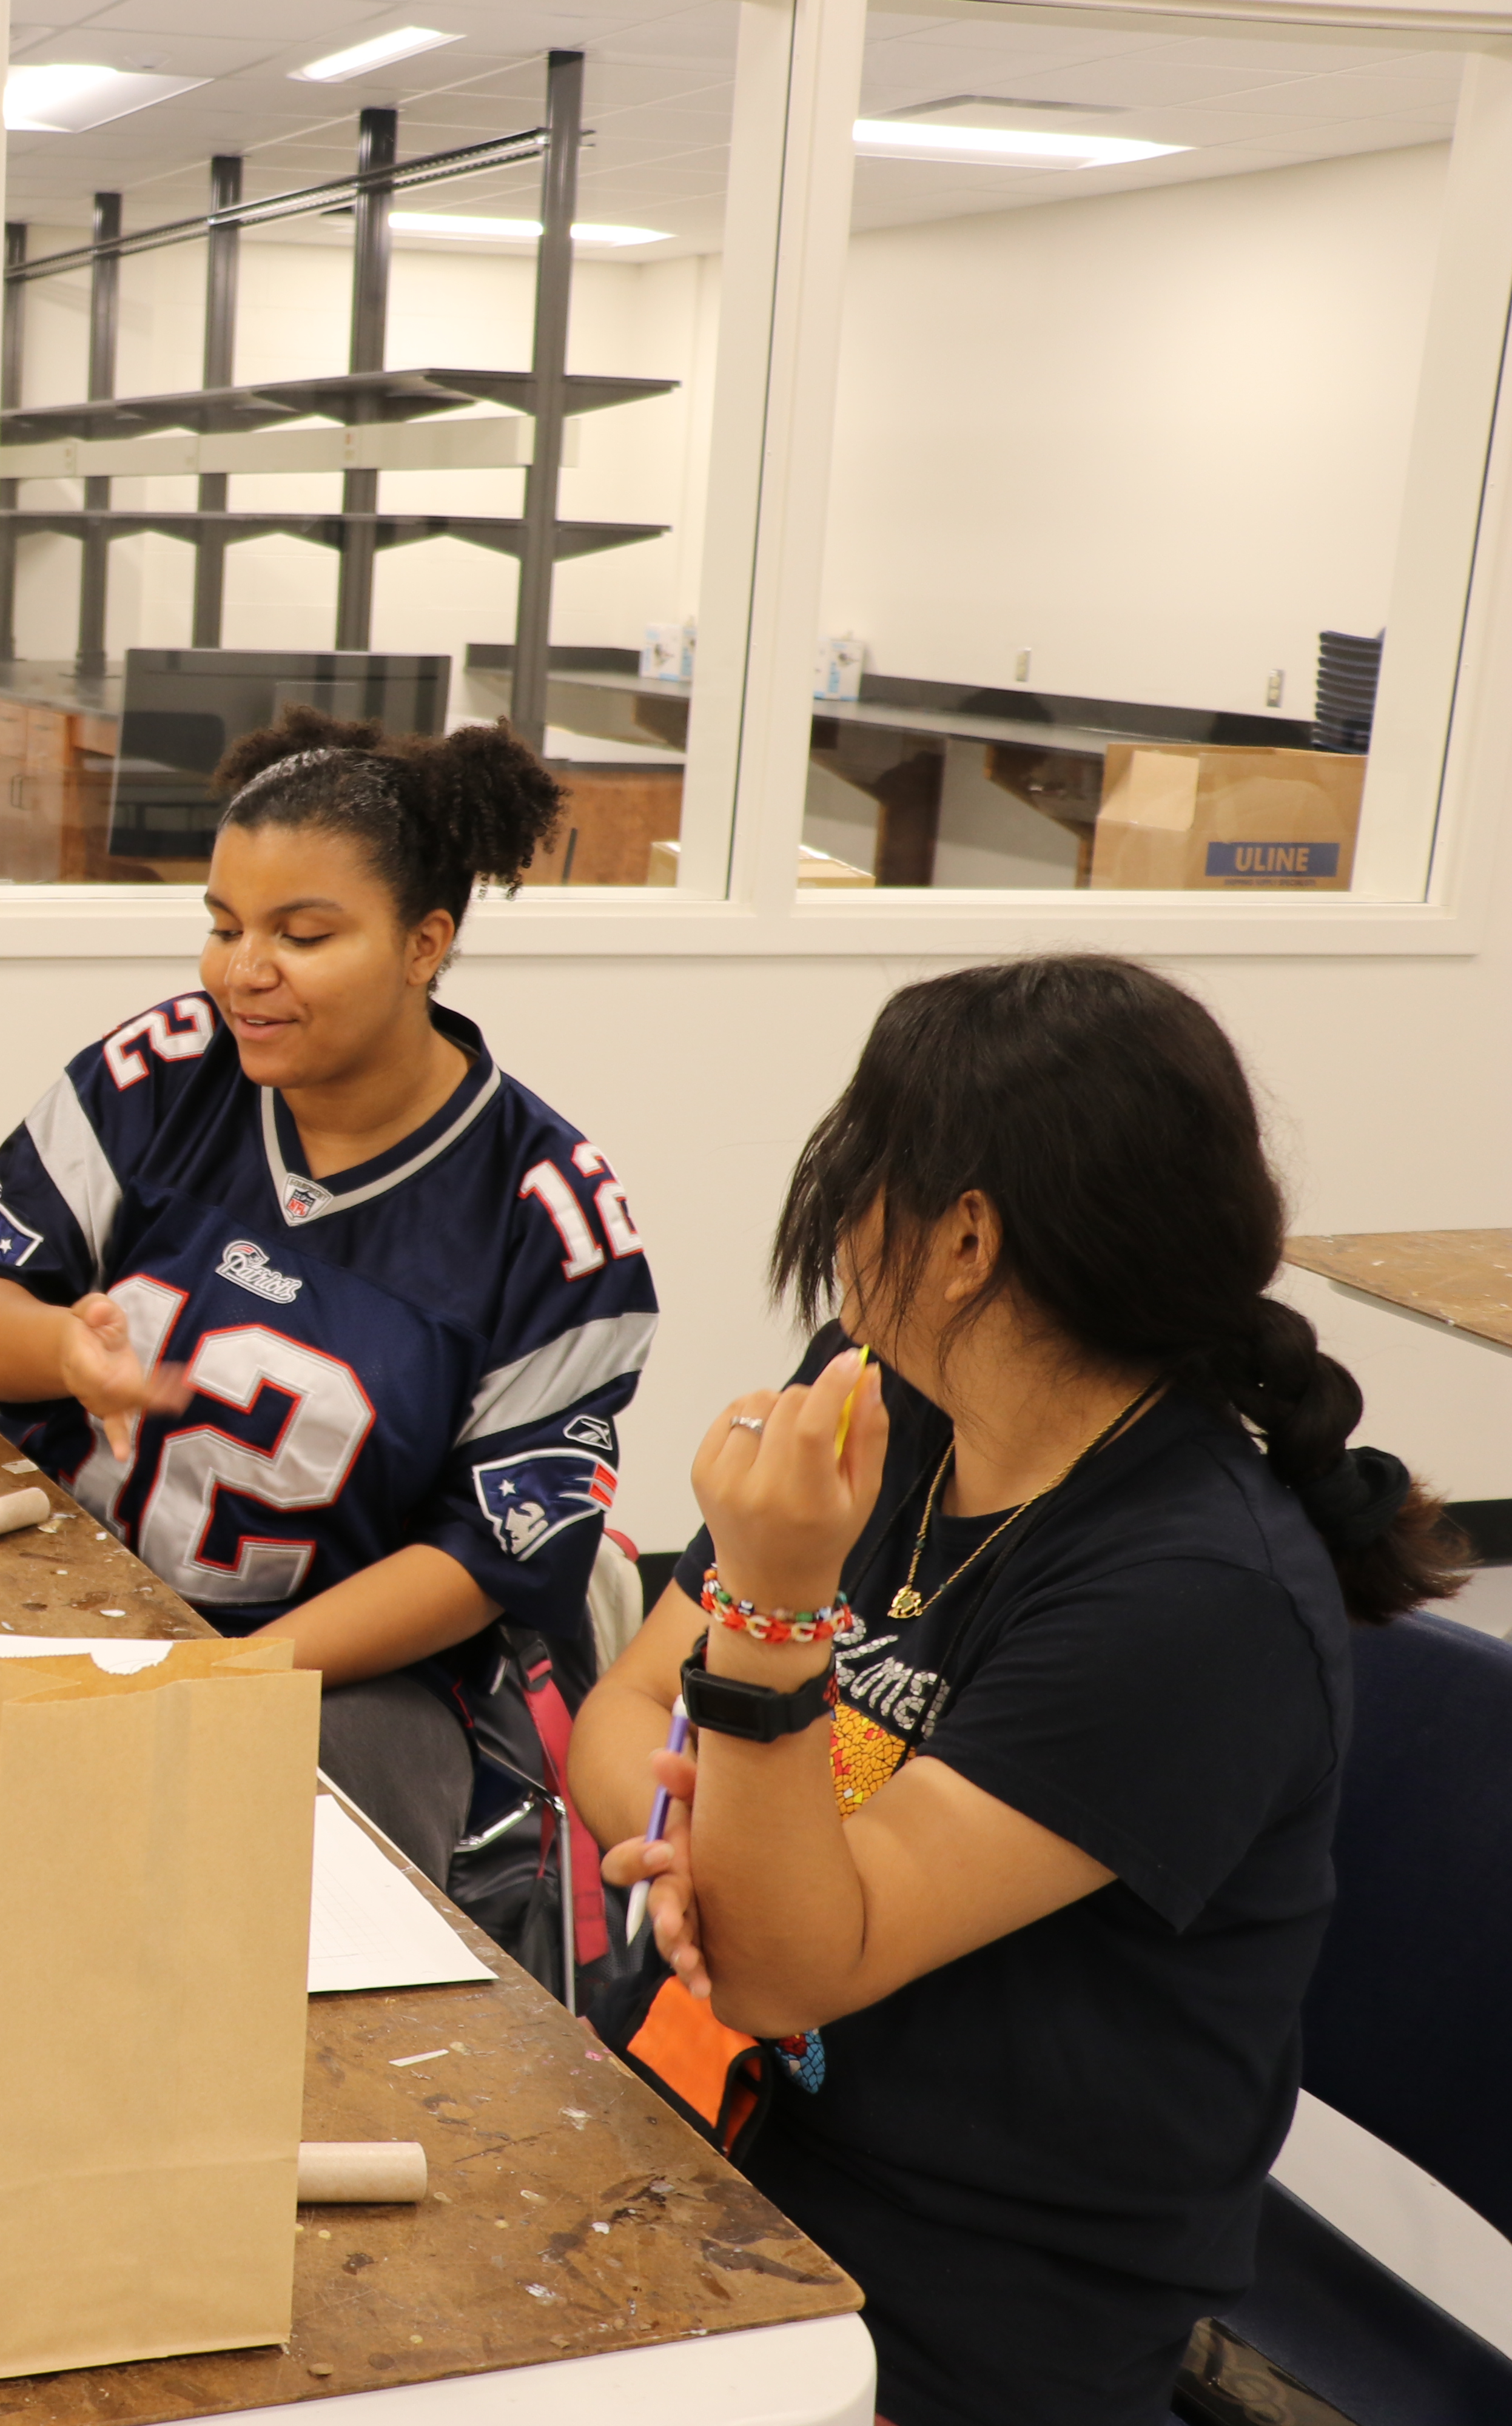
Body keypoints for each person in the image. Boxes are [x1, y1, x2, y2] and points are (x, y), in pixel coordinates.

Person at [577, 956, 1463, 2424]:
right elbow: (621, 1719)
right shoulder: (880, 1396)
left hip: (955, 2283)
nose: (838, 1209)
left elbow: (792, 1965)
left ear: (966, 1236)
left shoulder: (1193, 1592)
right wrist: (708, 1875)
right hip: (719, 2120)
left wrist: (779, 1605)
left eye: (861, 1166)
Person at [0, 708, 657, 1883]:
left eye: (301, 934)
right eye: (223, 925)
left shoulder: (552, 1219)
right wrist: (65, 1350)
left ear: (425, 943)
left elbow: (496, 1556)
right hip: (61, 1581)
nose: (241, 971)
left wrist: (232, 1676)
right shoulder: (163, 1068)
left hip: (330, 1678)